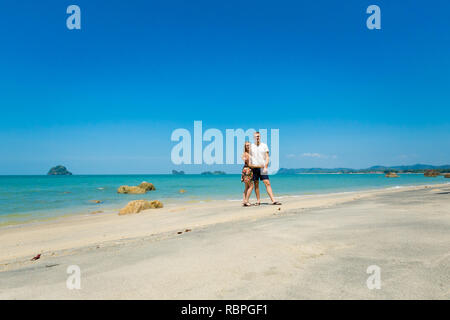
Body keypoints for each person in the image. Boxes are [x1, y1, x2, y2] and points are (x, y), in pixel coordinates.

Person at [250, 132, 281, 205]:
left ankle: (273, 200)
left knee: (267, 183)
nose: (257, 137)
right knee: (256, 184)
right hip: (254, 167)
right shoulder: (251, 146)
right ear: (254, 138)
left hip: (263, 167)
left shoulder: (264, 145)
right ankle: (258, 201)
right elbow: (249, 157)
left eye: (258, 136)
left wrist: (266, 166)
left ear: (260, 137)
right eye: (256, 136)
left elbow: (267, 157)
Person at [241, 141, 254, 206]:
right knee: (251, 186)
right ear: (245, 147)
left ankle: (244, 201)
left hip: (246, 170)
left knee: (246, 187)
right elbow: (249, 164)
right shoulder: (246, 154)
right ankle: (246, 201)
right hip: (247, 170)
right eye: (247, 145)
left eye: (249, 145)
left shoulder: (248, 154)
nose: (248, 146)